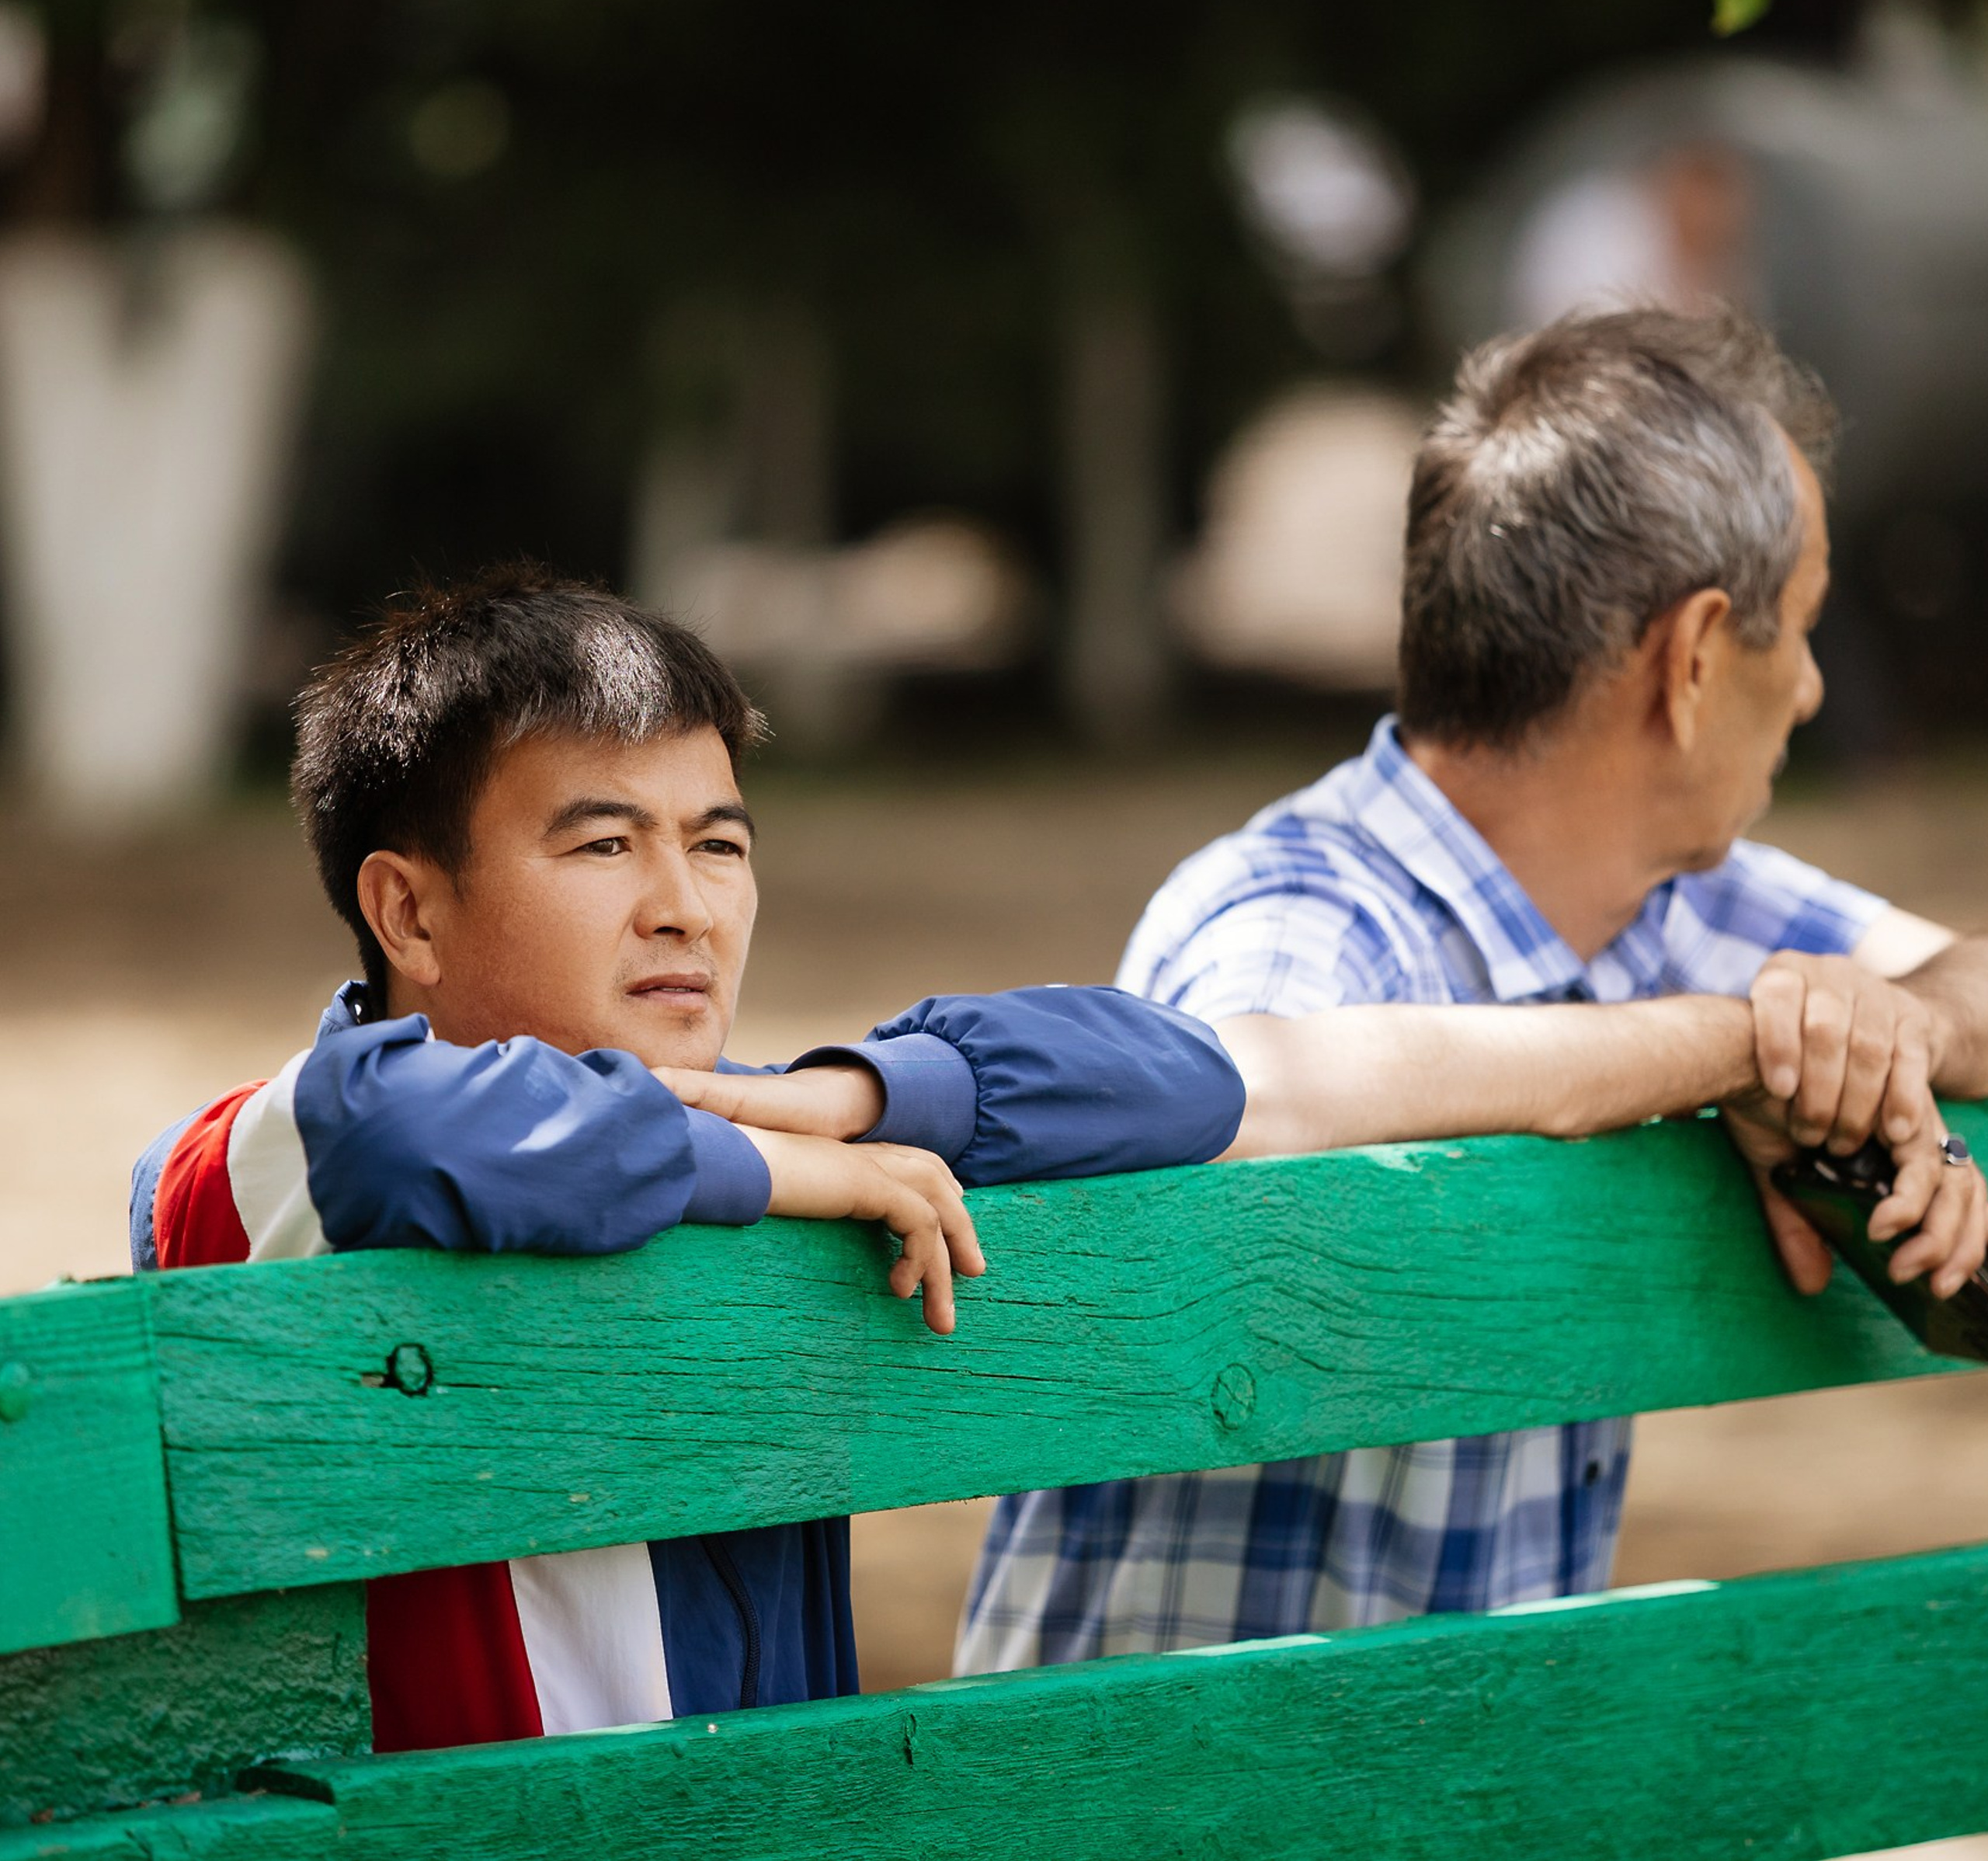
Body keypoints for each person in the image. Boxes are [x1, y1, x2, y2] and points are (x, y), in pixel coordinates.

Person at [948, 304, 1988, 1674]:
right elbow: (1262, 1102)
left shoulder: (1676, 897)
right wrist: (1724, 1052)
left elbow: (1962, 975)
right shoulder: (1296, 917)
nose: (1805, 690)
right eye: (1797, 632)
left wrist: (1888, 1028)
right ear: (1690, 660)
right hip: (1183, 1798)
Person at [131, 566, 1249, 1749]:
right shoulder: (268, 1164)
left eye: (718, 845)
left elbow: (1184, 1080)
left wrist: (852, 1098)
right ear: (409, 915)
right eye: (606, 845)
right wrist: (790, 1173)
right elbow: (401, 1132)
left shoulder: (763, 1120)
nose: (688, 910)